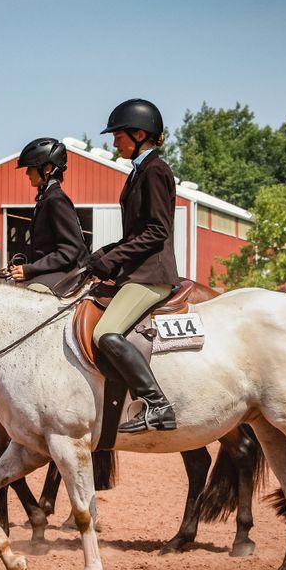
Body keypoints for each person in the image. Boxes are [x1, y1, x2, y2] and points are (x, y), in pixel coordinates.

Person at [88, 99, 180, 433]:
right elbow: (136, 233)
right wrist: (103, 255)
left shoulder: (155, 171)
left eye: (119, 136)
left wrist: (112, 259)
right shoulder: (141, 170)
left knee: (105, 333)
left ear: (140, 134)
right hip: (136, 270)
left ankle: (157, 405)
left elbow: (156, 232)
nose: (114, 143)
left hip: (151, 275)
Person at [9, 138, 89, 293]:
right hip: (55, 270)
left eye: (31, 168)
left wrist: (30, 269)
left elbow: (70, 250)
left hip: (70, 272)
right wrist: (21, 267)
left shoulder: (56, 200)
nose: (27, 173)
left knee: (31, 291)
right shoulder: (46, 198)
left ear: (47, 168)